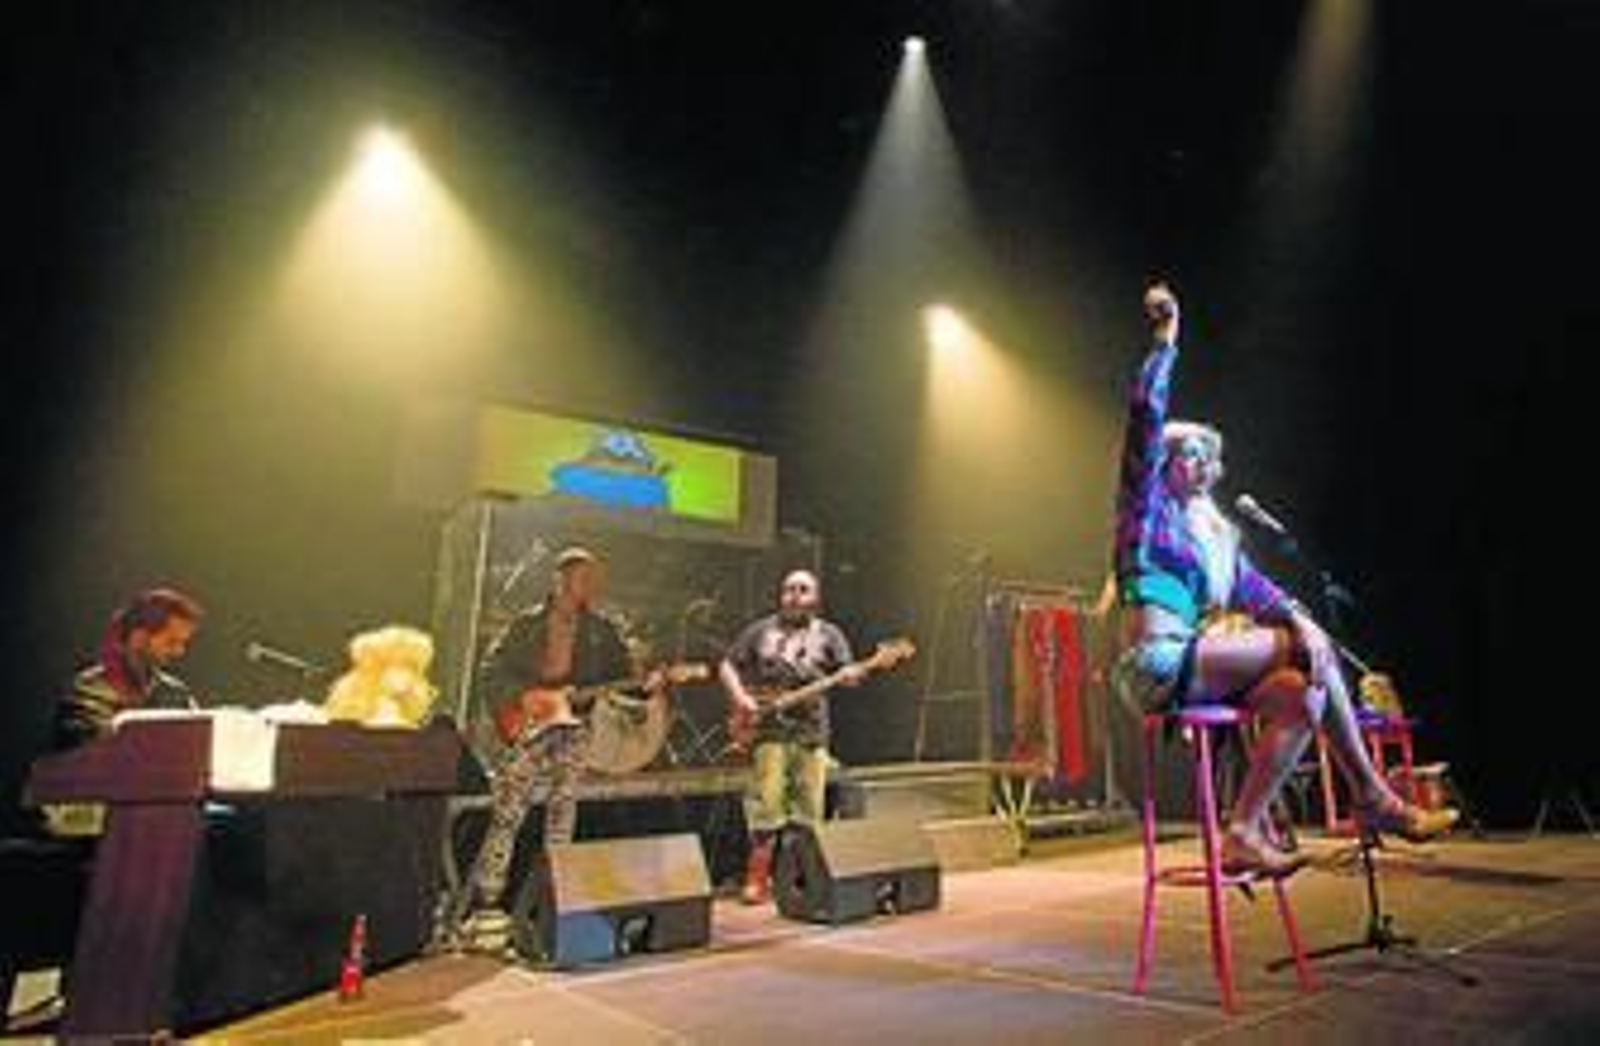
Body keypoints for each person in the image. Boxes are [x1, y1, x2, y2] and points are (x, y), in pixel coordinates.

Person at [1111, 280, 1458, 876]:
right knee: (1306, 647)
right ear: (1164, 466)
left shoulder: (1215, 538)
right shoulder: (1146, 516)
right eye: (1184, 452)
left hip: (1196, 665)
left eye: (1203, 454)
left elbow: (1260, 592)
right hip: (1154, 664)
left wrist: (1301, 620)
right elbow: (1145, 417)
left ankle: (1244, 830)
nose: (1196, 461)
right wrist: (1167, 340)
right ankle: (1373, 796)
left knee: (1306, 692)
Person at [449, 546, 664, 955]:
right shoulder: (527, 623)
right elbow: (491, 670)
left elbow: (623, 679)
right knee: (509, 808)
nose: (588, 586)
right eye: (582, 577)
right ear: (561, 579)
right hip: (531, 725)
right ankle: (486, 904)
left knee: (563, 810)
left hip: (575, 726)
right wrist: (524, 697)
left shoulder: (601, 630)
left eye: (592, 579)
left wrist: (648, 685)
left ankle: (553, 898)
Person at [719, 568, 864, 904]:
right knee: (766, 805)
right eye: (789, 589)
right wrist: (742, 699)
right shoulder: (761, 630)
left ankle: (798, 879)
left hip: (810, 734)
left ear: (815, 598)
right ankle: (757, 878)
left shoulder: (829, 634)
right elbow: (727, 665)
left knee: (807, 813)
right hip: (768, 732)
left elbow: (849, 672)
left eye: (803, 589)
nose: (795, 595)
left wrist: (852, 675)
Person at [53, 586, 204, 753]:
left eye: (183, 643)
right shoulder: (88, 691)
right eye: (171, 642)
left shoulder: (176, 692)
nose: (179, 652)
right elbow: (101, 755)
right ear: (138, 637)